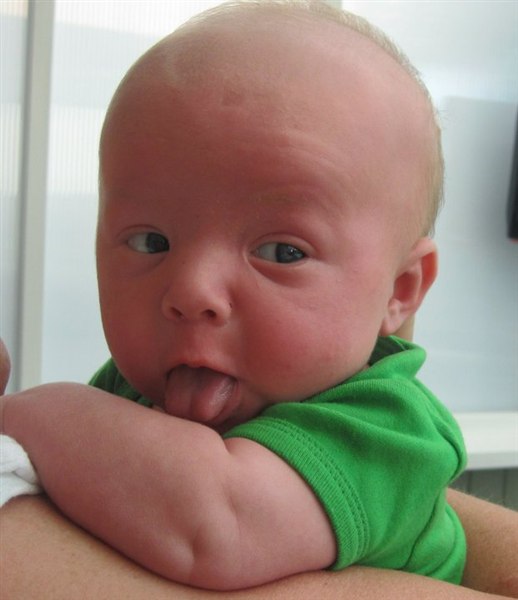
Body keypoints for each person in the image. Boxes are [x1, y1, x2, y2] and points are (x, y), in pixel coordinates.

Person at [0, 0, 474, 591]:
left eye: (282, 252)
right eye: (151, 241)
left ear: (399, 291)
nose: (192, 291)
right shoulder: (134, 388)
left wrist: (24, 412)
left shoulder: (388, 427)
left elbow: (219, 526)